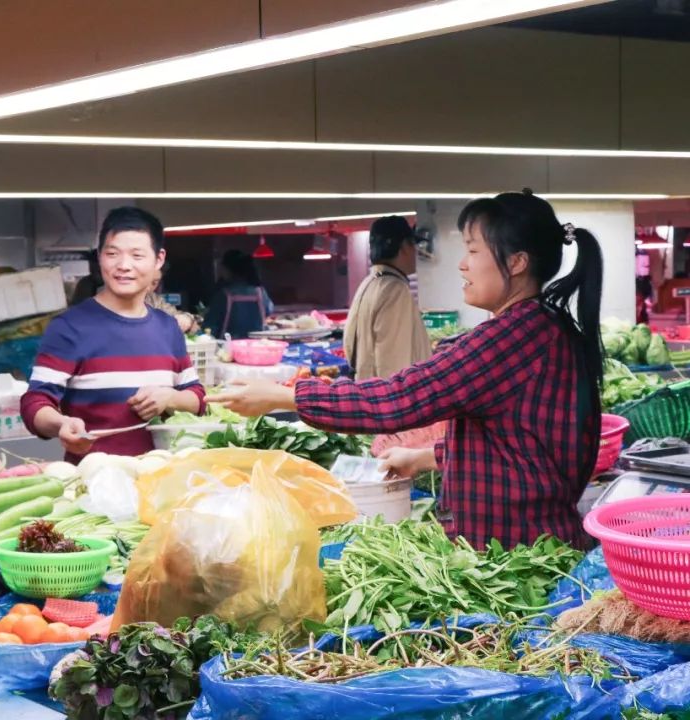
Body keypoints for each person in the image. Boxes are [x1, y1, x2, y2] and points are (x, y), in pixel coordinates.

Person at [215, 190, 603, 551]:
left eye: (473, 250)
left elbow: (401, 398)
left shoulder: (510, 339)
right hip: (538, 542)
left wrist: (285, 396)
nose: (462, 263)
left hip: (514, 551)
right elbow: (518, 446)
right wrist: (422, 459)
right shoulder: (546, 326)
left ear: (517, 262)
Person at [20, 207, 206, 461]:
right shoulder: (70, 327)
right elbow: (35, 403)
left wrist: (170, 397)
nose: (123, 266)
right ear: (100, 257)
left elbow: (197, 397)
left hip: (159, 480)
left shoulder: (168, 327)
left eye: (137, 255)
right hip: (91, 484)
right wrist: (61, 424)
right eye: (112, 254)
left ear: (158, 260)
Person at [345, 215, 432, 379]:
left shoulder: (368, 284)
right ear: (405, 246)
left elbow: (349, 345)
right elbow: (395, 367)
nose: (416, 252)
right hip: (391, 400)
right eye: (413, 245)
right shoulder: (395, 290)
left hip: (368, 392)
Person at [202, 250, 273, 339]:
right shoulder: (260, 292)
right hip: (257, 345)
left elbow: (210, 325)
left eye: (222, 268)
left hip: (229, 348)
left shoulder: (223, 295)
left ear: (229, 269)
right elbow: (268, 310)